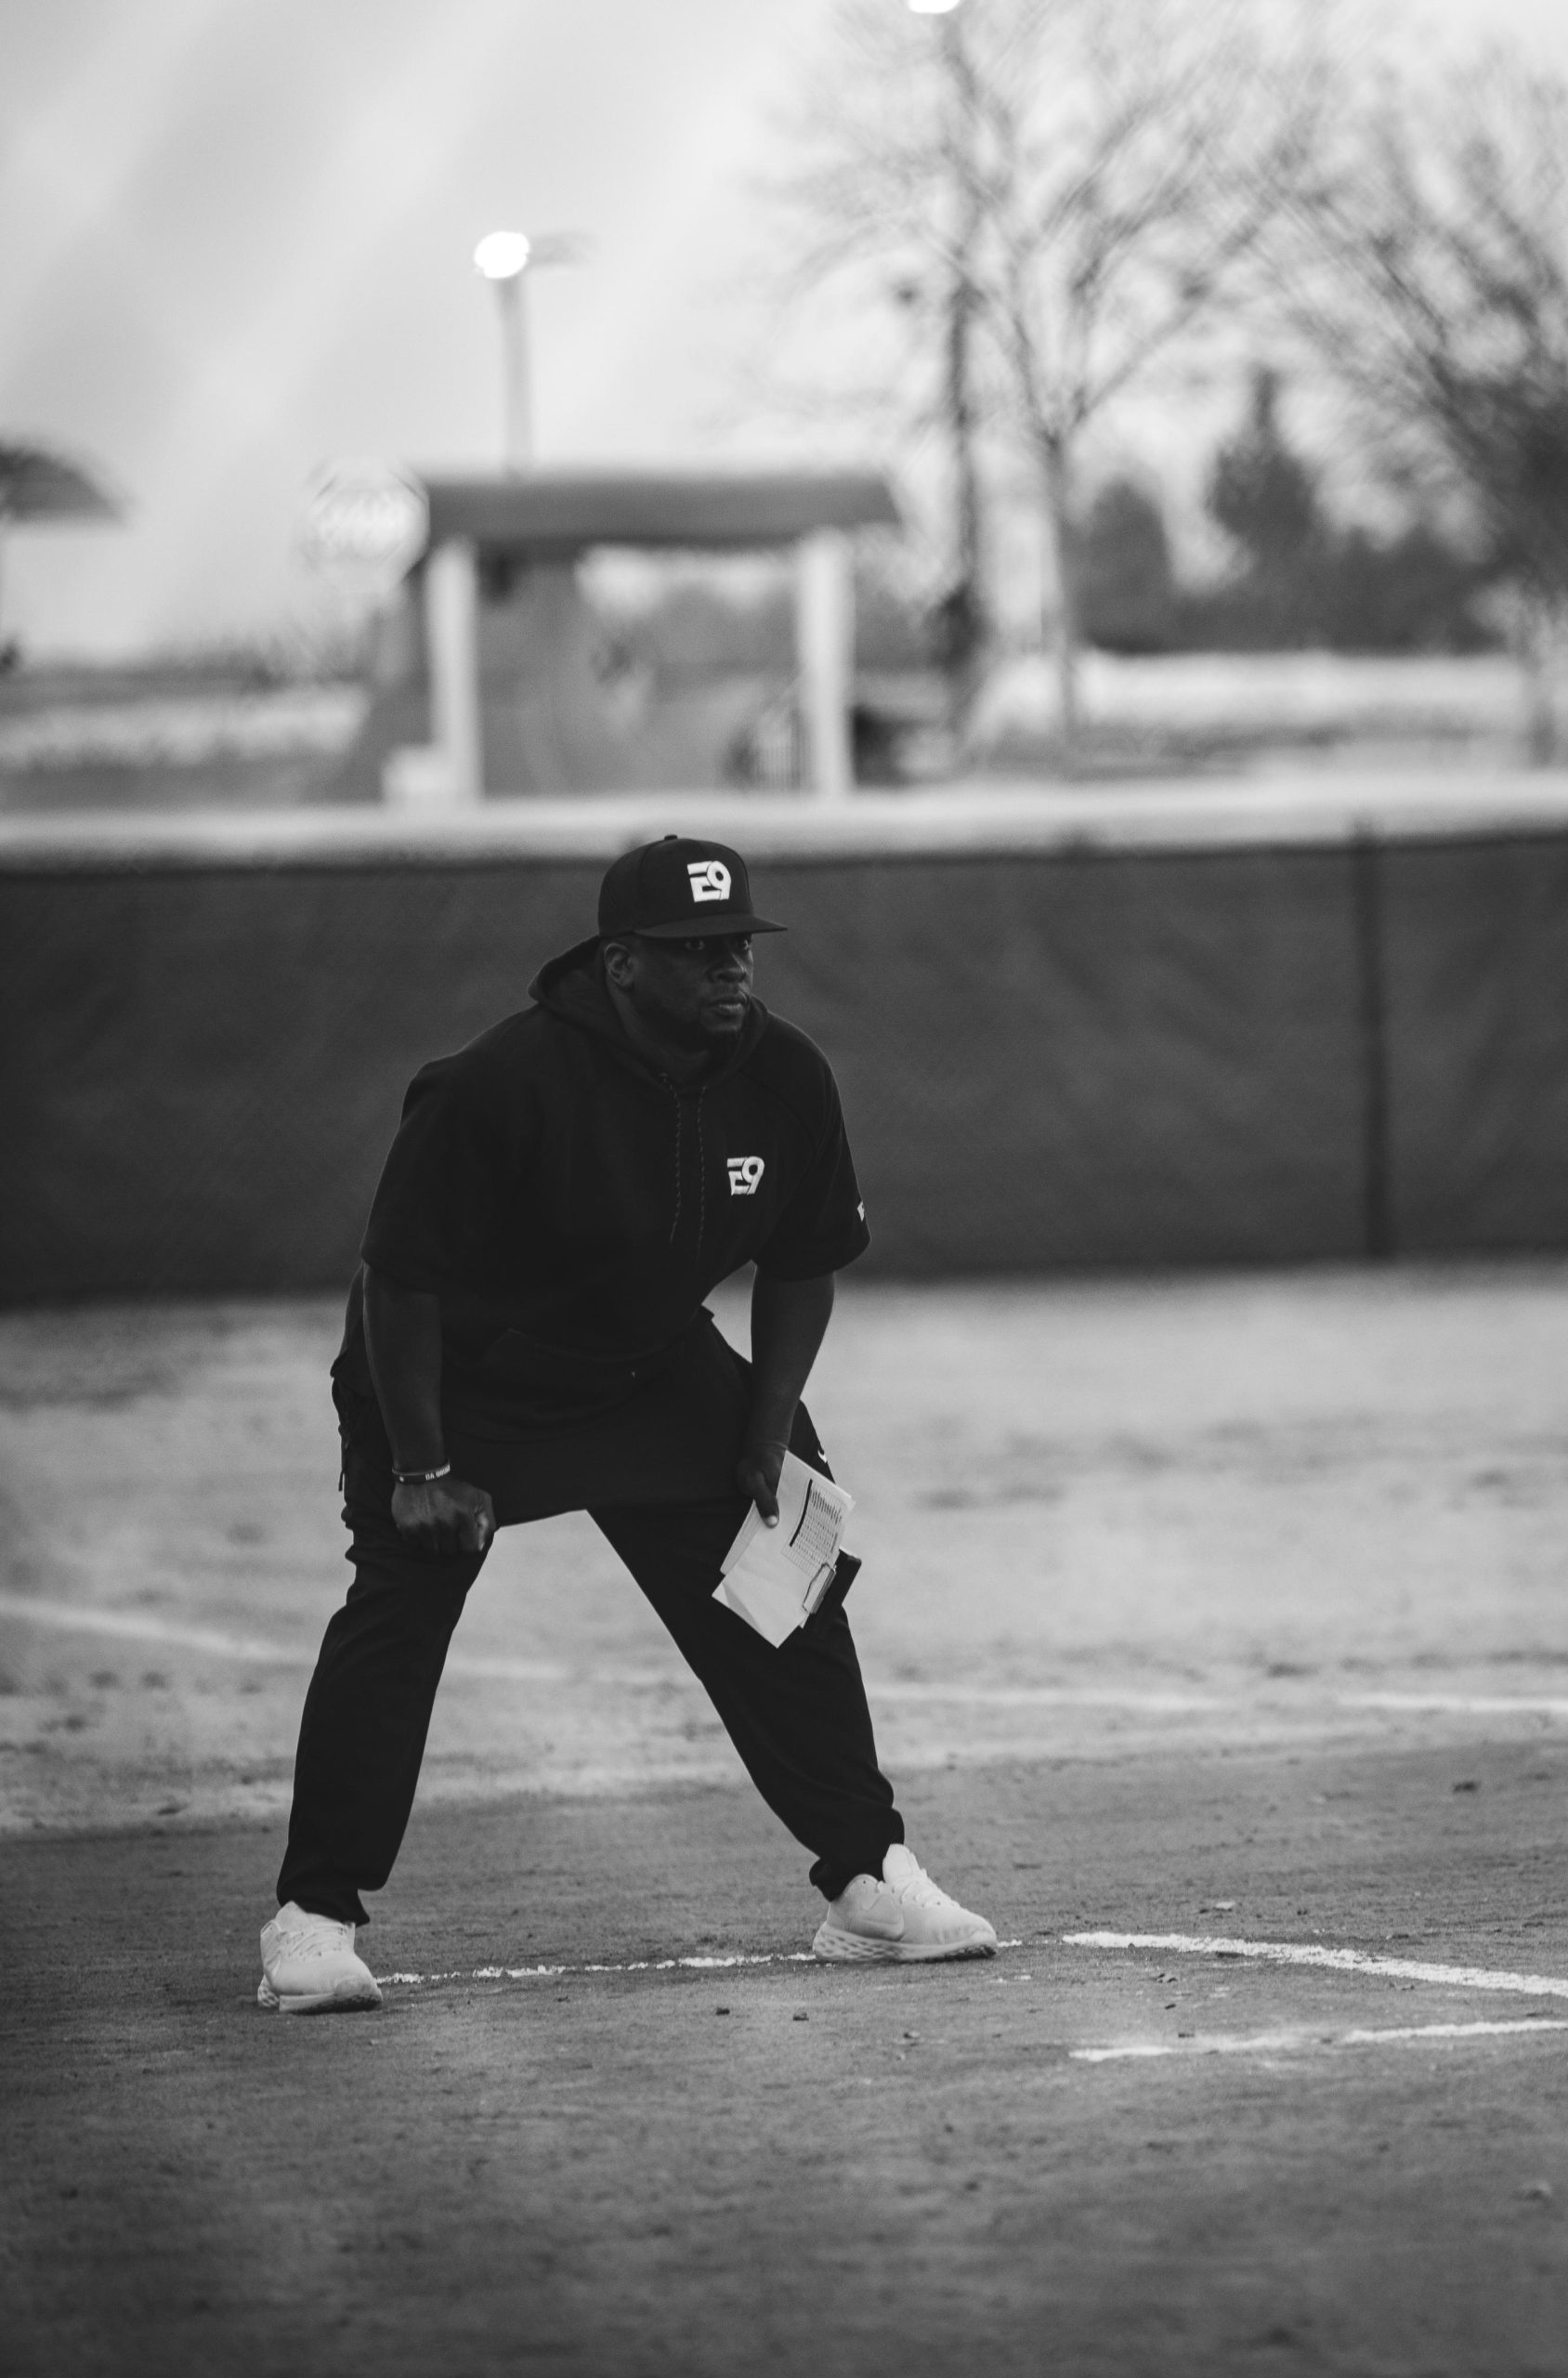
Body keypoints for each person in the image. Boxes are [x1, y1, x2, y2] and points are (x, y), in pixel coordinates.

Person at [259, 836, 996, 2013]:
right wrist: (422, 1465)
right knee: (399, 1612)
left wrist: (764, 1430)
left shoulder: (785, 1075)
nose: (728, 968)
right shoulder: (495, 1084)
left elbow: (801, 1264)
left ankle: (866, 1877)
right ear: (619, 964)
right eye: (695, 950)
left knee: (783, 1567)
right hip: (461, 1384)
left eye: (737, 944)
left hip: (646, 1368)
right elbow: (396, 1281)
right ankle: (313, 1915)